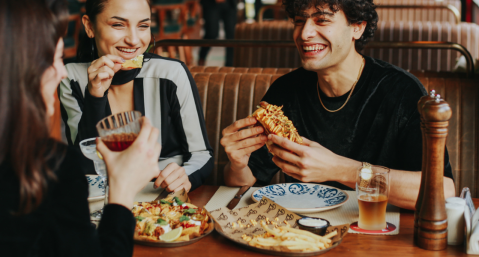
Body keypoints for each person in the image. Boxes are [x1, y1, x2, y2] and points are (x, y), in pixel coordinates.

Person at [220, 0, 455, 210]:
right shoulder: (285, 91)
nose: (305, 34)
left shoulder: (401, 91)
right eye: (299, 21)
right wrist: (237, 164)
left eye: (322, 20)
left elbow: (443, 190)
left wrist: (341, 170)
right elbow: (244, 182)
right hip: (300, 233)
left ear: (357, 27)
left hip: (379, 231)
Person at [0, 0, 162, 256]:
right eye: (54, 60)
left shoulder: (170, 74)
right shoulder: (51, 168)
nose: (60, 73)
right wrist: (121, 191)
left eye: (143, 25)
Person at [59, 0, 213, 192]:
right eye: (118, 25)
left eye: (143, 26)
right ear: (90, 26)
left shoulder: (171, 74)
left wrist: (184, 177)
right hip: (104, 201)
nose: (133, 40)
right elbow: (86, 166)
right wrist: (95, 96)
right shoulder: (71, 79)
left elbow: (201, 154)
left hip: (163, 199)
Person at [198, 0, 237, 66]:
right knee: (211, 33)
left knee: (231, 34)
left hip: (229, 3)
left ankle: (230, 65)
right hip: (211, 3)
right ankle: (202, 57)